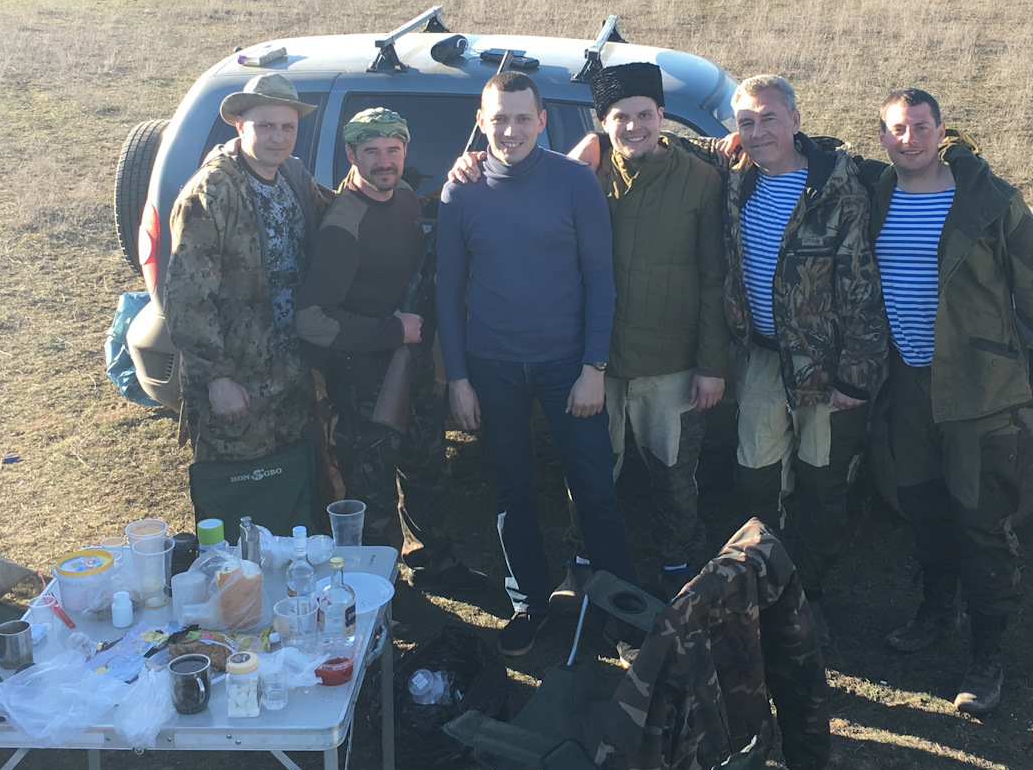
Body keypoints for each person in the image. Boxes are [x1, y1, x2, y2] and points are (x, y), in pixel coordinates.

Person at [865, 88, 1033, 718]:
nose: (910, 139)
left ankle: (987, 653)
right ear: (882, 137)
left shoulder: (987, 199)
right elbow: (805, 154)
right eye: (898, 130)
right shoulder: (878, 192)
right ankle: (936, 611)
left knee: (982, 522)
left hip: (979, 385)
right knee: (924, 508)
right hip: (909, 381)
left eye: (921, 127)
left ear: (940, 130)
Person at [506, 62, 730, 603]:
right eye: (620, 117)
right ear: (603, 122)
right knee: (586, 469)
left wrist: (711, 364)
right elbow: (514, 183)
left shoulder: (700, 181)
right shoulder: (582, 174)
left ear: (660, 118)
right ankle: (581, 564)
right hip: (593, 362)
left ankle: (678, 567)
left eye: (645, 116)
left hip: (670, 360)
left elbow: (712, 277)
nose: (634, 127)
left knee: (675, 477)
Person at [437, 71, 638, 657]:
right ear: (481, 122)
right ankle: (529, 602)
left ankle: (621, 611)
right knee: (512, 489)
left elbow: (601, 280)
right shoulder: (461, 191)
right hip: (493, 365)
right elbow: (448, 292)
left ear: (543, 121)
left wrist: (593, 367)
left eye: (523, 117)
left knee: (595, 488)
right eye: (498, 118)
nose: (511, 129)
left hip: (565, 365)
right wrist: (458, 378)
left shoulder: (575, 182)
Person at [717, 75, 888, 648]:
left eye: (769, 118)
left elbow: (863, 287)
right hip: (764, 360)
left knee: (822, 486)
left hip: (827, 366)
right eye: (746, 122)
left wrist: (855, 376)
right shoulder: (738, 180)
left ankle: (808, 596)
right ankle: (765, 586)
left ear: (795, 120)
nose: (759, 132)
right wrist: (592, 141)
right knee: (755, 477)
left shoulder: (838, 190)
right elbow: (661, 138)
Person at [294, 108, 491, 594]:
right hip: (364, 385)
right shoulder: (343, 225)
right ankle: (382, 592)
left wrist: (464, 175)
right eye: (371, 152)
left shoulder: (401, 195)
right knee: (373, 492)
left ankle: (435, 566)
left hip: (413, 371)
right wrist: (390, 330)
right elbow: (312, 320)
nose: (384, 162)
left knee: (427, 472)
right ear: (351, 155)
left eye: (393, 150)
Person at [165, 71, 326, 465]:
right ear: (240, 125)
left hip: (290, 376)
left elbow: (346, 212)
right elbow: (186, 297)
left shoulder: (292, 176)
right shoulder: (213, 191)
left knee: (291, 496)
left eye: (288, 127)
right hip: (239, 382)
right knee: (242, 502)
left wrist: (436, 196)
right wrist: (217, 379)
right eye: (265, 126)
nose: (278, 137)